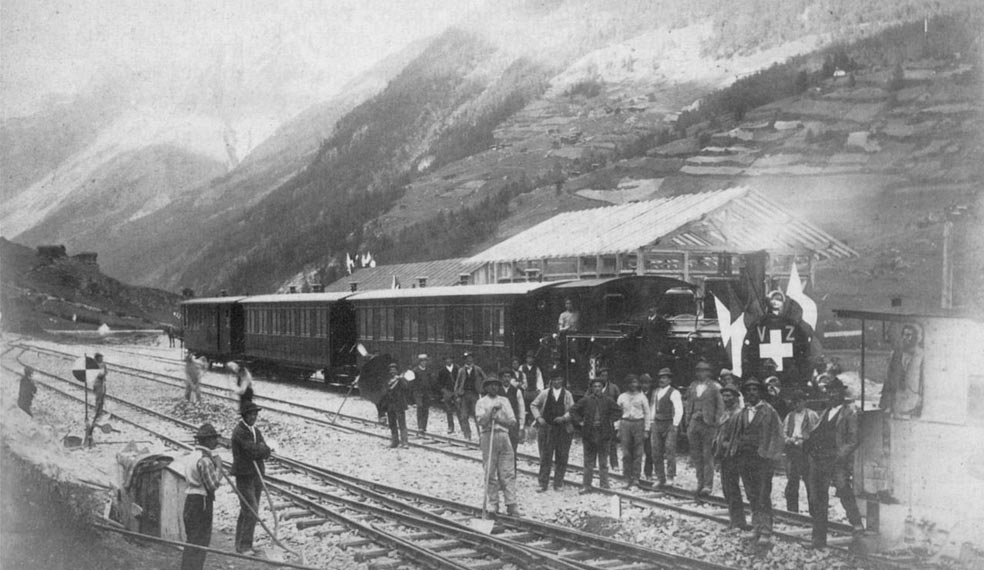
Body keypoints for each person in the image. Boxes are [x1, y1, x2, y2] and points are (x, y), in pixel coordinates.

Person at [805, 376, 865, 548]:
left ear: (841, 393)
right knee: (818, 499)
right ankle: (818, 540)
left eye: (835, 391)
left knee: (844, 490)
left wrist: (840, 455)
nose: (831, 395)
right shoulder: (825, 412)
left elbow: (854, 439)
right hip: (820, 459)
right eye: (829, 391)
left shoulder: (849, 412)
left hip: (837, 459)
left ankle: (857, 525)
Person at [730, 378, 785, 545]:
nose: (751, 393)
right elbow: (736, 434)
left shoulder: (769, 412)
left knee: (763, 494)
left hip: (762, 460)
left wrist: (770, 456)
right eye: (748, 390)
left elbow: (778, 435)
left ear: (760, 392)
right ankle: (756, 527)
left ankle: (766, 530)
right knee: (751, 493)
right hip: (745, 458)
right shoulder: (742, 413)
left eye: (754, 390)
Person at [475, 376, 520, 516]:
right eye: (491, 385)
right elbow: (481, 422)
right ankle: (493, 504)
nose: (494, 387)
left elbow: (512, 422)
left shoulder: (504, 401)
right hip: (488, 436)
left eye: (496, 385)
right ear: (486, 387)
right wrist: (490, 412)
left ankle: (511, 503)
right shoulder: (481, 402)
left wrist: (499, 419)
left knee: (507, 472)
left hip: (504, 436)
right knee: (490, 471)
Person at [231, 401, 272, 555]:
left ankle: (243, 543)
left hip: (256, 474)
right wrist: (261, 449)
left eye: (255, 414)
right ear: (244, 415)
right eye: (251, 414)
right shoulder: (239, 432)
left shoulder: (255, 431)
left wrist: (262, 449)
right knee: (251, 509)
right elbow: (252, 451)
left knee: (247, 510)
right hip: (244, 475)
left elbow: (266, 450)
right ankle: (244, 546)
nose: (253, 417)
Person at [181, 423, 223, 570]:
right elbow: (213, 485)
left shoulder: (192, 455)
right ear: (207, 440)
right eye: (214, 439)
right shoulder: (205, 460)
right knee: (200, 542)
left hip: (190, 499)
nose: (216, 442)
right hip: (202, 502)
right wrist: (219, 468)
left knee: (192, 539)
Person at [571, 377, 621, 493]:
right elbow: (573, 410)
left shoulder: (608, 400)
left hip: (604, 433)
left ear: (602, 388)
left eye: (599, 386)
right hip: (589, 433)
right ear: (591, 388)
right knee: (588, 461)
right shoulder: (586, 400)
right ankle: (586, 485)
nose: (597, 389)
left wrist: (610, 420)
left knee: (603, 461)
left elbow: (619, 411)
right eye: (595, 387)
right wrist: (580, 422)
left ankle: (604, 485)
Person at [683, 360, 724, 497]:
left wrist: (716, 424)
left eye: (704, 370)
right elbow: (689, 403)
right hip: (694, 424)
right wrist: (688, 421)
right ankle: (700, 483)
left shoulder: (715, 387)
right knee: (696, 455)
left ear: (709, 372)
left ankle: (707, 485)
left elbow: (720, 407)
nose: (701, 373)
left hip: (708, 425)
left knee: (707, 455)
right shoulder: (693, 386)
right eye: (699, 370)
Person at [530, 371, 575, 491]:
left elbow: (572, 410)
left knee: (562, 456)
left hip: (562, 429)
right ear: (551, 381)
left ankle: (558, 483)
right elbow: (533, 405)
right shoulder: (545, 393)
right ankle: (543, 483)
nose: (557, 381)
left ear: (562, 380)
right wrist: (538, 418)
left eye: (559, 379)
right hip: (547, 429)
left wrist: (564, 418)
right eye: (555, 379)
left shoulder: (567, 395)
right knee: (545, 457)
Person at [714, 380, 749, 530]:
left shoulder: (739, 414)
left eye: (729, 396)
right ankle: (735, 520)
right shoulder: (725, 413)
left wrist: (729, 445)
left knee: (733, 488)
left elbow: (741, 436)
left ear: (735, 397)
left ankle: (739, 522)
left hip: (734, 455)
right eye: (724, 396)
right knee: (727, 489)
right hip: (724, 455)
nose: (726, 398)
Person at [782, 390, 819, 513]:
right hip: (793, 452)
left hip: (806, 452)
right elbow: (783, 432)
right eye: (794, 402)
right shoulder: (790, 416)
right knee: (792, 482)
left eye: (799, 401)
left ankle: (814, 512)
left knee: (810, 482)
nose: (796, 404)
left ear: (804, 401)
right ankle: (792, 511)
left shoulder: (811, 415)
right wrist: (788, 440)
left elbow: (816, 433)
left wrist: (805, 441)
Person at [880, 323, 924, 417]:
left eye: (909, 335)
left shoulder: (922, 356)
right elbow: (888, 378)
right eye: (903, 334)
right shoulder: (896, 354)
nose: (905, 338)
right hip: (898, 401)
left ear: (917, 337)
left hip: (914, 400)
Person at [649, 368, 683, 488]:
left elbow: (679, 410)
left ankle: (670, 477)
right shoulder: (656, 392)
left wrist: (675, 425)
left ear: (669, 380)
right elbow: (653, 408)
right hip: (656, 423)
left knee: (669, 451)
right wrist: (651, 422)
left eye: (664, 378)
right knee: (656, 451)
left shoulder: (674, 392)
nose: (661, 380)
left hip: (669, 424)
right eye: (660, 378)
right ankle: (660, 477)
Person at [616, 374, 650, 488]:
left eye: (635, 382)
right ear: (627, 384)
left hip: (638, 423)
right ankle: (626, 477)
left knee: (638, 452)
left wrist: (646, 429)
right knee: (626, 453)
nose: (633, 385)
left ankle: (636, 478)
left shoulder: (642, 397)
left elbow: (647, 413)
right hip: (625, 423)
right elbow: (617, 413)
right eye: (630, 382)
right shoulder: (622, 397)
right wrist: (617, 428)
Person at [455, 353, 486, 440]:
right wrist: (457, 395)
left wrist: (482, 389)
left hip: (474, 395)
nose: (469, 360)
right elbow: (457, 383)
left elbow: (485, 379)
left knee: (477, 415)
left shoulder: (477, 369)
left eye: (470, 358)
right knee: (464, 416)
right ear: (465, 360)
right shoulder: (461, 370)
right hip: (464, 395)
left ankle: (481, 435)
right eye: (467, 358)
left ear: (473, 359)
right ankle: (467, 435)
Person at [381, 363, 410, 448]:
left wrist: (400, 379)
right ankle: (395, 441)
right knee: (392, 424)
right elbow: (384, 392)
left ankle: (404, 442)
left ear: (397, 371)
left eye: (394, 370)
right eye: (391, 370)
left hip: (399, 405)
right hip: (390, 405)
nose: (393, 372)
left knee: (402, 424)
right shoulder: (387, 380)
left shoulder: (401, 380)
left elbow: (406, 387)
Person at [597, 368, 621, 470]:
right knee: (596, 441)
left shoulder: (614, 388)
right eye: (602, 375)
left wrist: (615, 419)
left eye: (606, 375)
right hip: (597, 419)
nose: (604, 377)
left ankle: (614, 464)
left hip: (609, 419)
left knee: (611, 442)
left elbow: (618, 404)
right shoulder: (594, 387)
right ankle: (595, 463)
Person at [407, 354, 435, 433]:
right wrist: (412, 393)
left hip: (426, 392)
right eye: (422, 361)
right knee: (420, 407)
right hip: (418, 392)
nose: (424, 363)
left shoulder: (428, 370)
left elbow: (431, 382)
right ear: (419, 362)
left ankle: (424, 426)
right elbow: (411, 383)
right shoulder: (415, 370)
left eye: (425, 361)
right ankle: (420, 426)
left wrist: (431, 392)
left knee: (426, 409)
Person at [501, 369, 526, 455]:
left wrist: (521, 426)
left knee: (512, 448)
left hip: (513, 424)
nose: (506, 379)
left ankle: (512, 464)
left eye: (508, 377)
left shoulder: (517, 391)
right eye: (504, 377)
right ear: (501, 378)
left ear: (511, 378)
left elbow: (521, 409)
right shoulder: (497, 391)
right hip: (500, 424)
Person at [519, 351, 544, 424]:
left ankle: (533, 422)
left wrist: (540, 389)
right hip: (525, 391)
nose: (530, 360)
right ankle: (525, 422)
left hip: (533, 391)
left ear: (533, 359)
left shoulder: (536, 368)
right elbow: (519, 378)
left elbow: (539, 379)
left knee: (533, 406)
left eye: (531, 358)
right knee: (524, 406)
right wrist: (522, 387)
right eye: (528, 358)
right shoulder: (522, 367)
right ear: (526, 359)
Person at [437, 355, 459, 434]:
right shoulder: (442, 371)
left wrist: (459, 390)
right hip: (447, 392)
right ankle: (450, 427)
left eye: (449, 359)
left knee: (459, 409)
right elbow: (439, 383)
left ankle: (463, 427)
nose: (448, 361)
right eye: (446, 359)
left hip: (456, 391)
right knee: (449, 410)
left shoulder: (457, 369)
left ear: (452, 360)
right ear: (445, 361)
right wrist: (443, 390)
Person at [639, 373, 655, 480]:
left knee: (649, 450)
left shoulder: (653, 395)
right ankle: (635, 473)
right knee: (636, 450)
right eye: (643, 383)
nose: (646, 385)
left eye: (648, 383)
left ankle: (648, 473)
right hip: (638, 424)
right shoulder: (636, 394)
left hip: (649, 424)